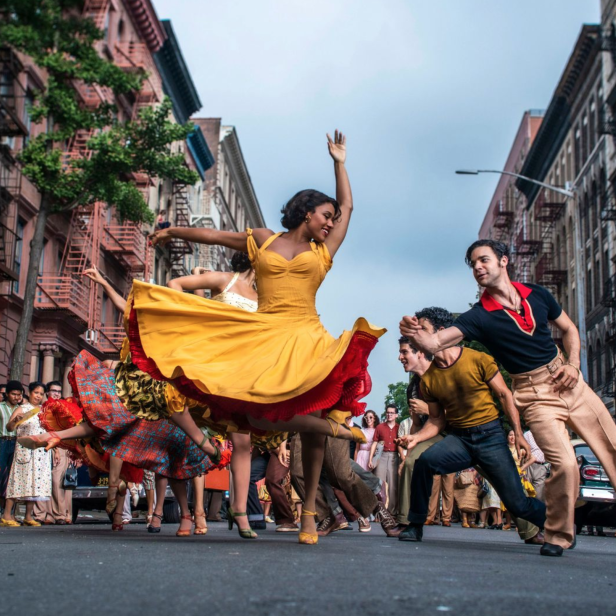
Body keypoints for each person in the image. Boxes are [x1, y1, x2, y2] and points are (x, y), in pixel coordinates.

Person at [133, 130, 385, 545]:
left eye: (333, 218)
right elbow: (214, 236)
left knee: (312, 423)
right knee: (256, 415)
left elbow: (349, 206)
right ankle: (343, 432)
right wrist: (172, 231)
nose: (330, 222)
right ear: (307, 213)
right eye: (325, 215)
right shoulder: (263, 239)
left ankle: (308, 516)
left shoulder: (325, 251)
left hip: (306, 336)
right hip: (264, 334)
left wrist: (339, 161)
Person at [400, 239, 613, 556]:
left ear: (503, 261)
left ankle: (549, 524)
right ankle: (557, 534)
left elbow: (568, 330)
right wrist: (415, 332)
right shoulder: (478, 317)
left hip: (563, 384)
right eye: (473, 264)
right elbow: (434, 352)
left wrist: (574, 363)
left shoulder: (537, 295)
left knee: (610, 448)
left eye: (483, 260)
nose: (477, 267)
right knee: (565, 464)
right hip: (527, 397)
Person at [396, 306, 546, 545]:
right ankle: (414, 525)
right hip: (460, 440)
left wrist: (518, 434)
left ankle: (554, 523)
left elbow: (505, 396)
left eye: (423, 330)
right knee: (424, 463)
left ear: (441, 332)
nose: (418, 336)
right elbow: (436, 420)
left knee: (516, 501)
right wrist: (417, 438)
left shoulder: (478, 359)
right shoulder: (429, 379)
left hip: (490, 437)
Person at [1, 382, 51, 526]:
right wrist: (15, 421)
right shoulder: (23, 409)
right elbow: (9, 428)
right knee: (17, 481)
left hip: (40, 452)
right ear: (29, 393)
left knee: (35, 482)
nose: (38, 396)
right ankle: (7, 515)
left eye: (41, 394)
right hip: (24, 450)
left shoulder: (44, 410)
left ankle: (28, 516)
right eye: (36, 393)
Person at [33, 381, 73, 525]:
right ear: (47, 393)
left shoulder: (65, 408)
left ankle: (60, 514)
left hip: (61, 446)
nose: (56, 393)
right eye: (53, 391)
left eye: (59, 391)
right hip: (43, 446)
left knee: (57, 481)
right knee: (42, 480)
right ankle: (42, 514)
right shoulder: (42, 408)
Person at [369, 405, 399, 515]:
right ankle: (379, 512)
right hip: (381, 456)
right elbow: (375, 443)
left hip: (394, 457)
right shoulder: (380, 427)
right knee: (379, 484)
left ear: (396, 415)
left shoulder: (399, 427)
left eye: (391, 413)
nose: (389, 414)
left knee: (393, 486)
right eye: (387, 412)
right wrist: (371, 459)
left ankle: (392, 511)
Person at [0, 381, 23, 515]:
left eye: (18, 395)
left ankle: (8, 510)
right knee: (1, 474)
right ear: (7, 394)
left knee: (12, 476)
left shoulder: (22, 409)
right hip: (2, 441)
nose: (16, 397)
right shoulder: (0, 407)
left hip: (16, 443)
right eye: (13, 394)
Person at [523, 428, 548, 502]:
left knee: (539, 495)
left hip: (541, 466)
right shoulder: (527, 434)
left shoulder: (545, 433)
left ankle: (539, 512)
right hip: (528, 465)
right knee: (527, 492)